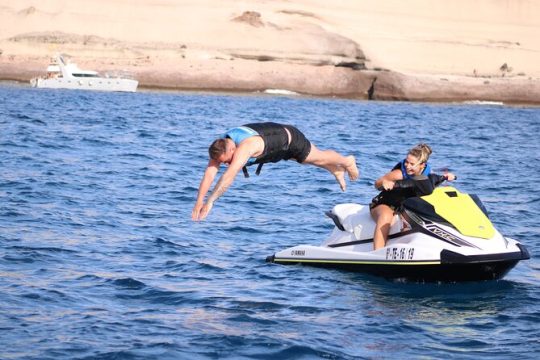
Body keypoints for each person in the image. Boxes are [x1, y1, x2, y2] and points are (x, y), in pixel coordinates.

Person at [192, 122, 359, 221]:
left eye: (227, 160)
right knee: (307, 161)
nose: (226, 163)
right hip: (277, 143)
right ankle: (335, 170)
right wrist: (199, 201)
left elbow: (228, 176)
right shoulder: (220, 146)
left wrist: (211, 201)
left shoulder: (245, 147)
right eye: (223, 162)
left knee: (317, 157)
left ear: (232, 149)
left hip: (291, 139)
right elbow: (209, 173)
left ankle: (346, 161)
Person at [370, 143, 456, 250]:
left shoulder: (427, 175)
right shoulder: (398, 174)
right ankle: (378, 252)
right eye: (406, 162)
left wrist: (446, 177)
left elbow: (434, 181)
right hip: (385, 204)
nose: (407, 166)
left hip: (405, 207)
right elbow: (377, 183)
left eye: (412, 164)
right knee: (386, 216)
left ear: (422, 165)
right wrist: (383, 183)